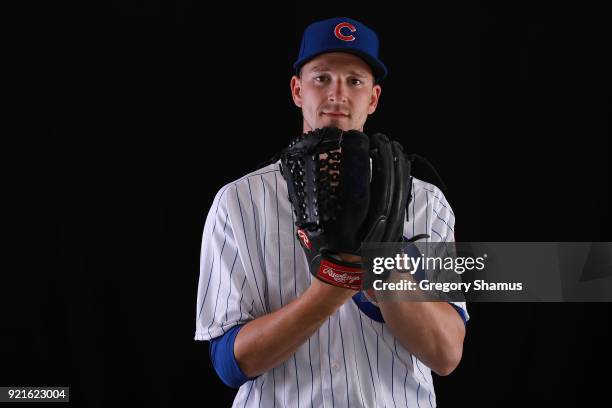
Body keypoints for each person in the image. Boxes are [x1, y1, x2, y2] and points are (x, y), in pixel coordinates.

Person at [195, 16, 469, 407]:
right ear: (297, 90)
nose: (337, 93)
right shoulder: (238, 201)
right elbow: (229, 363)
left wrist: (384, 271)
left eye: (354, 80)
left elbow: (446, 354)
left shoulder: (426, 202)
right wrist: (336, 280)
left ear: (373, 97)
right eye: (321, 78)